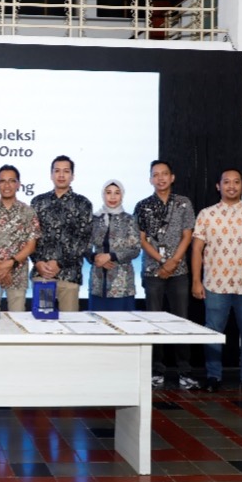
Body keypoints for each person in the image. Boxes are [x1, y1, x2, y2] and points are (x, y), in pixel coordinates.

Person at [191, 169, 242, 396]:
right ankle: (213, 377)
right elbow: (196, 249)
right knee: (213, 332)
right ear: (218, 186)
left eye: (237, 182)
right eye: (227, 182)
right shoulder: (206, 214)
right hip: (215, 285)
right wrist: (196, 281)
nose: (232, 186)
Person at [133, 160, 200, 390]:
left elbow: (188, 235)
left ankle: (184, 371)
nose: (160, 178)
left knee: (181, 320)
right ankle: (156, 370)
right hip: (152, 272)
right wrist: (162, 262)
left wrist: (173, 262)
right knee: (153, 321)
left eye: (164, 174)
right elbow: (141, 239)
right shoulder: (142, 206)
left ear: (172, 177)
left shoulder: (184, 203)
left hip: (179, 271)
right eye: (155, 175)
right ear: (150, 179)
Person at [30, 155, 93, 312]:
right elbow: (31, 236)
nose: (61, 175)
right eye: (57, 171)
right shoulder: (38, 202)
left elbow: (84, 240)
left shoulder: (82, 203)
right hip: (43, 275)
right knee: (43, 320)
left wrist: (59, 263)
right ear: (51, 175)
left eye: (66, 171)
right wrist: (38, 262)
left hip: (69, 275)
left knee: (70, 322)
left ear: (72, 176)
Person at [0, 165, 40, 311]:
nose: (7, 185)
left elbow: (31, 245)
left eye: (11, 181)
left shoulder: (28, 212)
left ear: (18, 184)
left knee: (18, 318)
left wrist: (10, 264)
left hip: (17, 273)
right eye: (2, 181)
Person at [85, 180, 140, 312]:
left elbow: (135, 250)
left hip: (122, 284)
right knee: (97, 321)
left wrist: (111, 256)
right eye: (108, 193)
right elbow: (85, 247)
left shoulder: (129, 219)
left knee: (122, 321)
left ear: (122, 196)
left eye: (117, 193)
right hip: (98, 282)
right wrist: (96, 258)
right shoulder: (94, 219)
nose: (113, 197)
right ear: (103, 195)